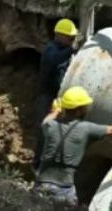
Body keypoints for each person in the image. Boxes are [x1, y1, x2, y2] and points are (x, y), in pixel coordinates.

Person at [34, 85, 112, 207]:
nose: (87, 109)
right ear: (78, 110)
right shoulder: (86, 129)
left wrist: (55, 111)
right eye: (85, 107)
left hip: (41, 185)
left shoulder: (50, 126)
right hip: (63, 190)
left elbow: (45, 121)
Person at [33, 18, 79, 170]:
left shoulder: (64, 51)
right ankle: (37, 166)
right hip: (46, 97)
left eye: (73, 38)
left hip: (58, 98)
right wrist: (73, 49)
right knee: (45, 131)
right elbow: (54, 60)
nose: (72, 40)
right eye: (70, 38)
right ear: (59, 35)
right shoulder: (50, 49)